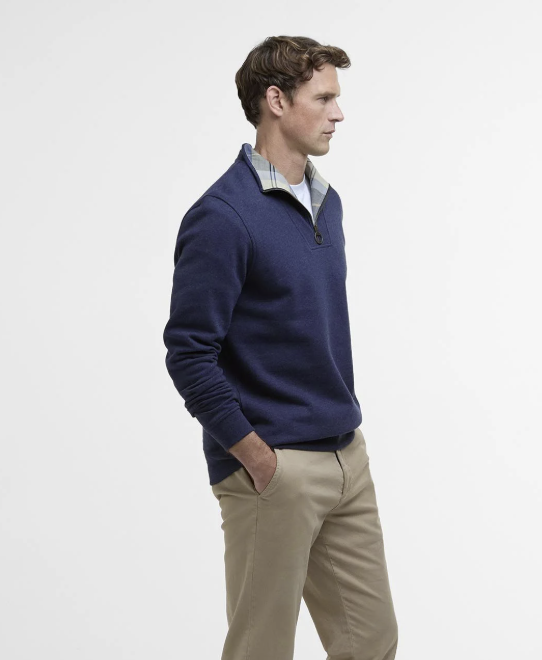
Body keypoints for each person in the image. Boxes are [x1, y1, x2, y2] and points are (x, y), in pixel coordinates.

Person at [163, 35, 399, 660]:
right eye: (323, 99)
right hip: (274, 469)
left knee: (372, 642)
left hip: (346, 456)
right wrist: (255, 456)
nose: (338, 114)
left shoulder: (328, 203)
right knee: (261, 649)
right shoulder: (223, 216)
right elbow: (188, 351)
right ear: (276, 100)